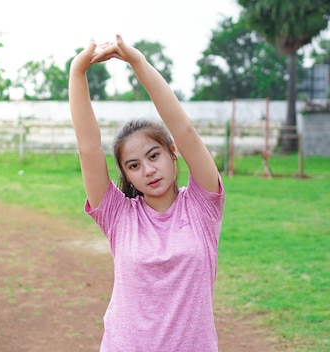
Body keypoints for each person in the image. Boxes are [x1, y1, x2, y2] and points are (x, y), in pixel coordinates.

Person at [68, 34, 225, 352]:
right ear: (125, 174)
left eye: (154, 156)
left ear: (172, 153)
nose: (149, 170)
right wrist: (77, 72)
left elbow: (185, 131)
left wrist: (138, 63)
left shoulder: (202, 205)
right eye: (134, 165)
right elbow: (89, 148)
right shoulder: (118, 216)